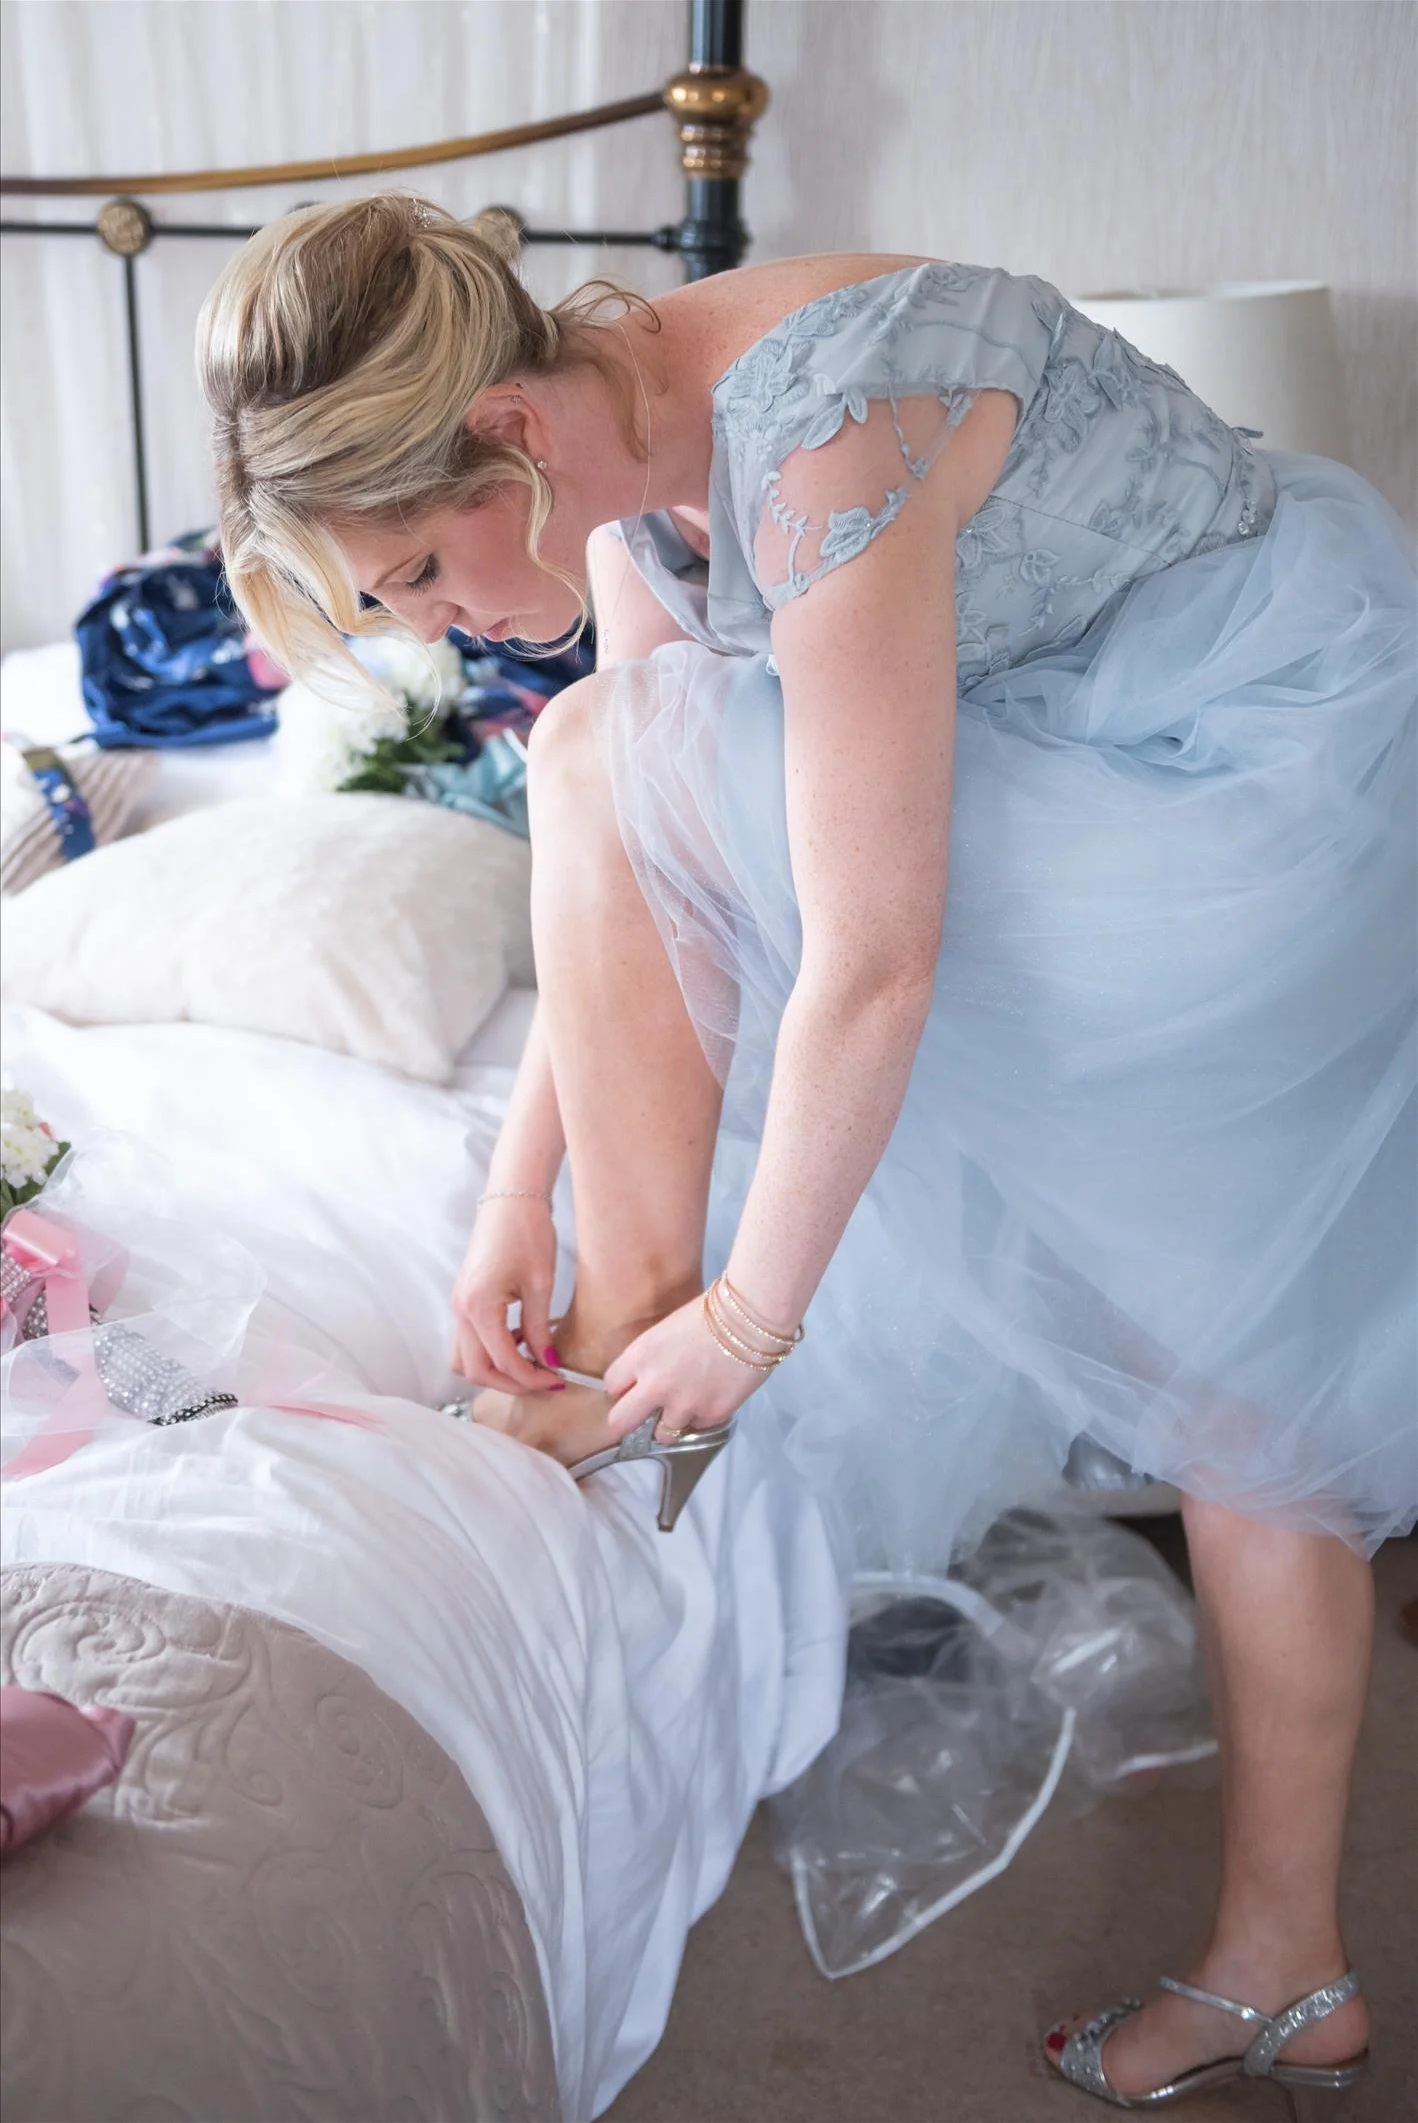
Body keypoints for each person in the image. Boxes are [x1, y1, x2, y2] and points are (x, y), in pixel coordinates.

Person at [198, 194, 1414, 2113]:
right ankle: (1291, 1972)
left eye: (418, 569)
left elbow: (869, 958)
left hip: (1233, 798)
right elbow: (644, 868)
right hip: (1094, 788)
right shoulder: (619, 462)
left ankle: (631, 1333)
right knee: (1233, 1393)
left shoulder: (827, 424)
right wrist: (515, 1194)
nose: (428, 626)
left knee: (595, 743)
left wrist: (751, 1320)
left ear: (507, 433)